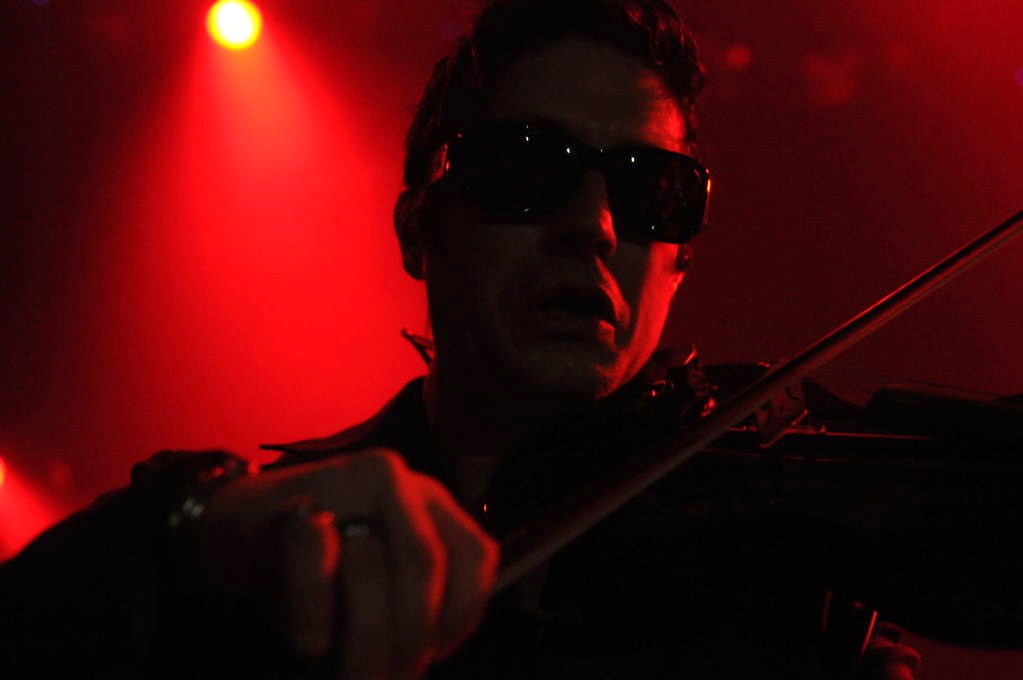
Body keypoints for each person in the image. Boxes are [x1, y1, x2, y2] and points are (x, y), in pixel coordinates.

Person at [1, 1, 923, 678]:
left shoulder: (782, 590)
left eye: (652, 192)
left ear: (679, 264)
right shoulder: (285, 552)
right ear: (418, 229)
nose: (594, 225)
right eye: (527, 169)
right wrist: (192, 530)